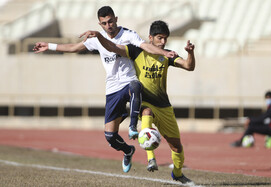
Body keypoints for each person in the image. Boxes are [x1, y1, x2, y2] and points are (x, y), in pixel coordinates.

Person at [33, 6, 175, 173]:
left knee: (136, 86)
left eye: (110, 21)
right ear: (99, 24)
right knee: (110, 136)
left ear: (116, 19)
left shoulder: (129, 35)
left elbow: (145, 46)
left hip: (128, 82)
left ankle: (132, 125)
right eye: (104, 23)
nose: (108, 25)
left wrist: (163, 53)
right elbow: (73, 48)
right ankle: (128, 151)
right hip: (112, 89)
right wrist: (48, 46)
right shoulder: (96, 39)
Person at [81, 20, 196, 184]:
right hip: (144, 102)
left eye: (165, 39)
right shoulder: (136, 50)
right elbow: (113, 47)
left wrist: (190, 53)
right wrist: (99, 36)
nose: (163, 42)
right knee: (146, 113)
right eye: (159, 38)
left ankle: (177, 174)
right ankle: (151, 158)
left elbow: (188, 66)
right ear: (150, 38)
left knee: (176, 147)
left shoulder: (168, 55)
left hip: (164, 107)